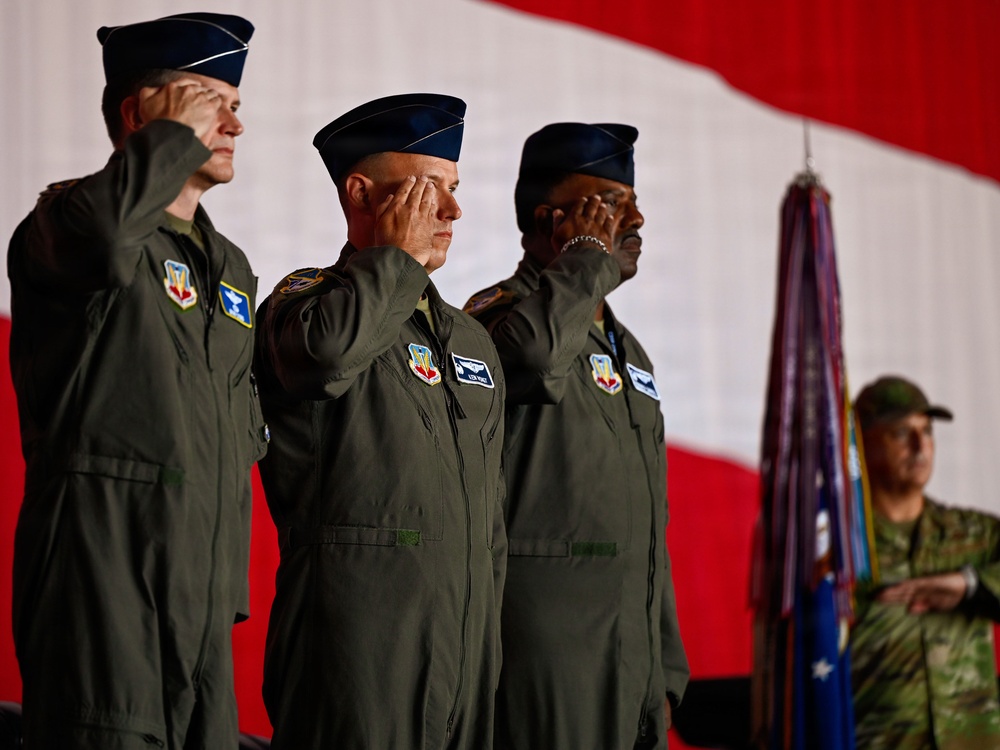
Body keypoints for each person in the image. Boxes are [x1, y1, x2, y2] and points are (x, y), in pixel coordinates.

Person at [7, 12, 267, 749]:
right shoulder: (69, 219)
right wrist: (169, 141)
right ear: (138, 113)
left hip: (201, 592)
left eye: (236, 106)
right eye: (208, 103)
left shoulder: (230, 265)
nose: (233, 125)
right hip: (103, 575)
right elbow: (108, 236)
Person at [254, 93, 507, 749]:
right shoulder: (306, 303)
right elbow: (325, 360)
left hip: (468, 651)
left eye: (454, 189)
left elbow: (490, 518)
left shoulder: (470, 338)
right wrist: (394, 259)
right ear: (361, 193)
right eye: (428, 189)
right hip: (358, 650)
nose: (452, 210)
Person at [464, 122, 689, 750]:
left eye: (633, 202)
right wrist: (585, 258)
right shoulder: (497, 320)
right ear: (550, 219)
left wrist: (666, 665)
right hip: (546, 653)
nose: (635, 220)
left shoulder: (628, 350)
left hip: (633, 659)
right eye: (611, 205)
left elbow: (649, 525)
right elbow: (538, 359)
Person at [850, 375, 1000, 748]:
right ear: (861, 442)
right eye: (901, 433)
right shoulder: (840, 547)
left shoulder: (973, 534)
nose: (921, 446)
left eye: (927, 431)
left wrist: (970, 586)